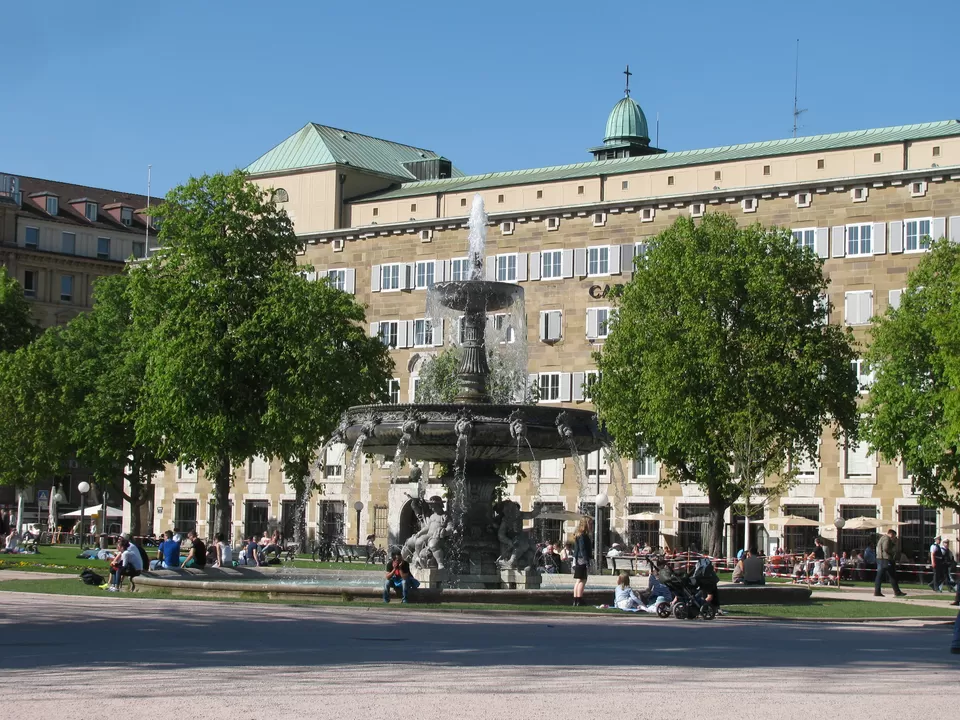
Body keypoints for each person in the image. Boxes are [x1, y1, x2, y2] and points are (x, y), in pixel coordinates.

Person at [875, 528, 906, 597]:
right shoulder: (887, 539)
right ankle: (897, 591)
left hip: (880, 558)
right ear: (891, 534)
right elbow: (886, 548)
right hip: (886, 559)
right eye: (894, 535)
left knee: (881, 575)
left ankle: (877, 591)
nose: (894, 537)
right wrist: (893, 552)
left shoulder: (882, 538)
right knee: (891, 575)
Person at [572, 518, 593, 607]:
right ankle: (579, 599)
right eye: (590, 523)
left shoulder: (578, 535)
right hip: (582, 559)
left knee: (578, 580)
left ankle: (576, 600)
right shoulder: (583, 536)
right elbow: (583, 549)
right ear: (586, 524)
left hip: (578, 559)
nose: (591, 525)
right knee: (583, 580)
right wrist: (587, 561)